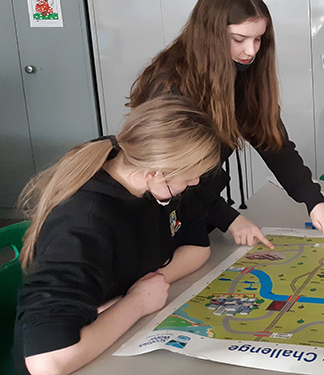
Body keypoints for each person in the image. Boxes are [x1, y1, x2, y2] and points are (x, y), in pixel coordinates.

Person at [13, 96, 223, 375]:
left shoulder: (153, 188)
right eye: (189, 176)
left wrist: (144, 288)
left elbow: (197, 247)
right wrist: (136, 303)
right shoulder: (83, 223)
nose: (195, 182)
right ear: (154, 173)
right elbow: (47, 361)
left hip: (117, 338)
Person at [128, 0, 324, 247]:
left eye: (258, 39)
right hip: (165, 213)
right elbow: (170, 175)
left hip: (204, 207)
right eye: (239, 39)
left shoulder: (242, 72)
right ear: (210, 35)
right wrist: (230, 218)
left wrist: (313, 200)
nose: (251, 51)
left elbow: (273, 144)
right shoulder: (170, 86)